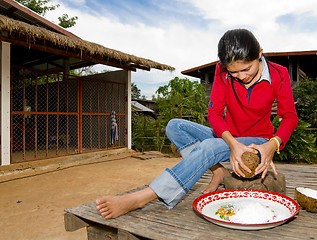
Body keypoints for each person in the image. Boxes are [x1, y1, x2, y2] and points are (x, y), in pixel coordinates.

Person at [95, 29, 298, 219]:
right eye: (234, 73)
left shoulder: (278, 74)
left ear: (260, 54)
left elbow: (290, 117)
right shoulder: (220, 71)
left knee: (209, 146)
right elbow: (215, 113)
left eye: (247, 69)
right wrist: (232, 144)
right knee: (175, 126)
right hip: (228, 137)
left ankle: (144, 197)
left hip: (257, 142)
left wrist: (272, 145)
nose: (242, 77)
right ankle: (219, 171)